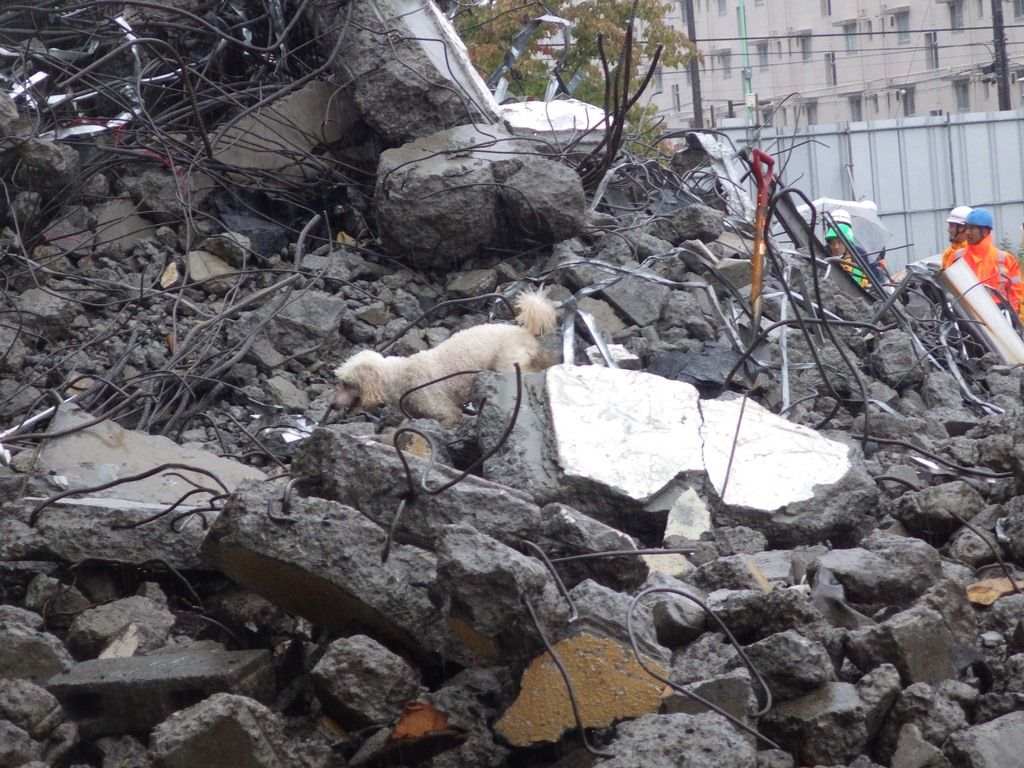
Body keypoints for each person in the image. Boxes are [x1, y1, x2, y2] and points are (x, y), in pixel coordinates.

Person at [945, 207, 1023, 315]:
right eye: (966, 228)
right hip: (967, 315)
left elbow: (1016, 295)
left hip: (999, 316)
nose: (967, 232)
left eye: (972, 228)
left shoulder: (1004, 259)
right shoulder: (957, 257)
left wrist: (1013, 318)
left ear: (985, 231)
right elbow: (949, 289)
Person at [825, 209, 873, 287]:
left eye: (840, 242)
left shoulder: (859, 254)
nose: (836, 247)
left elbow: (868, 280)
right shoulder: (823, 253)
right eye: (832, 242)